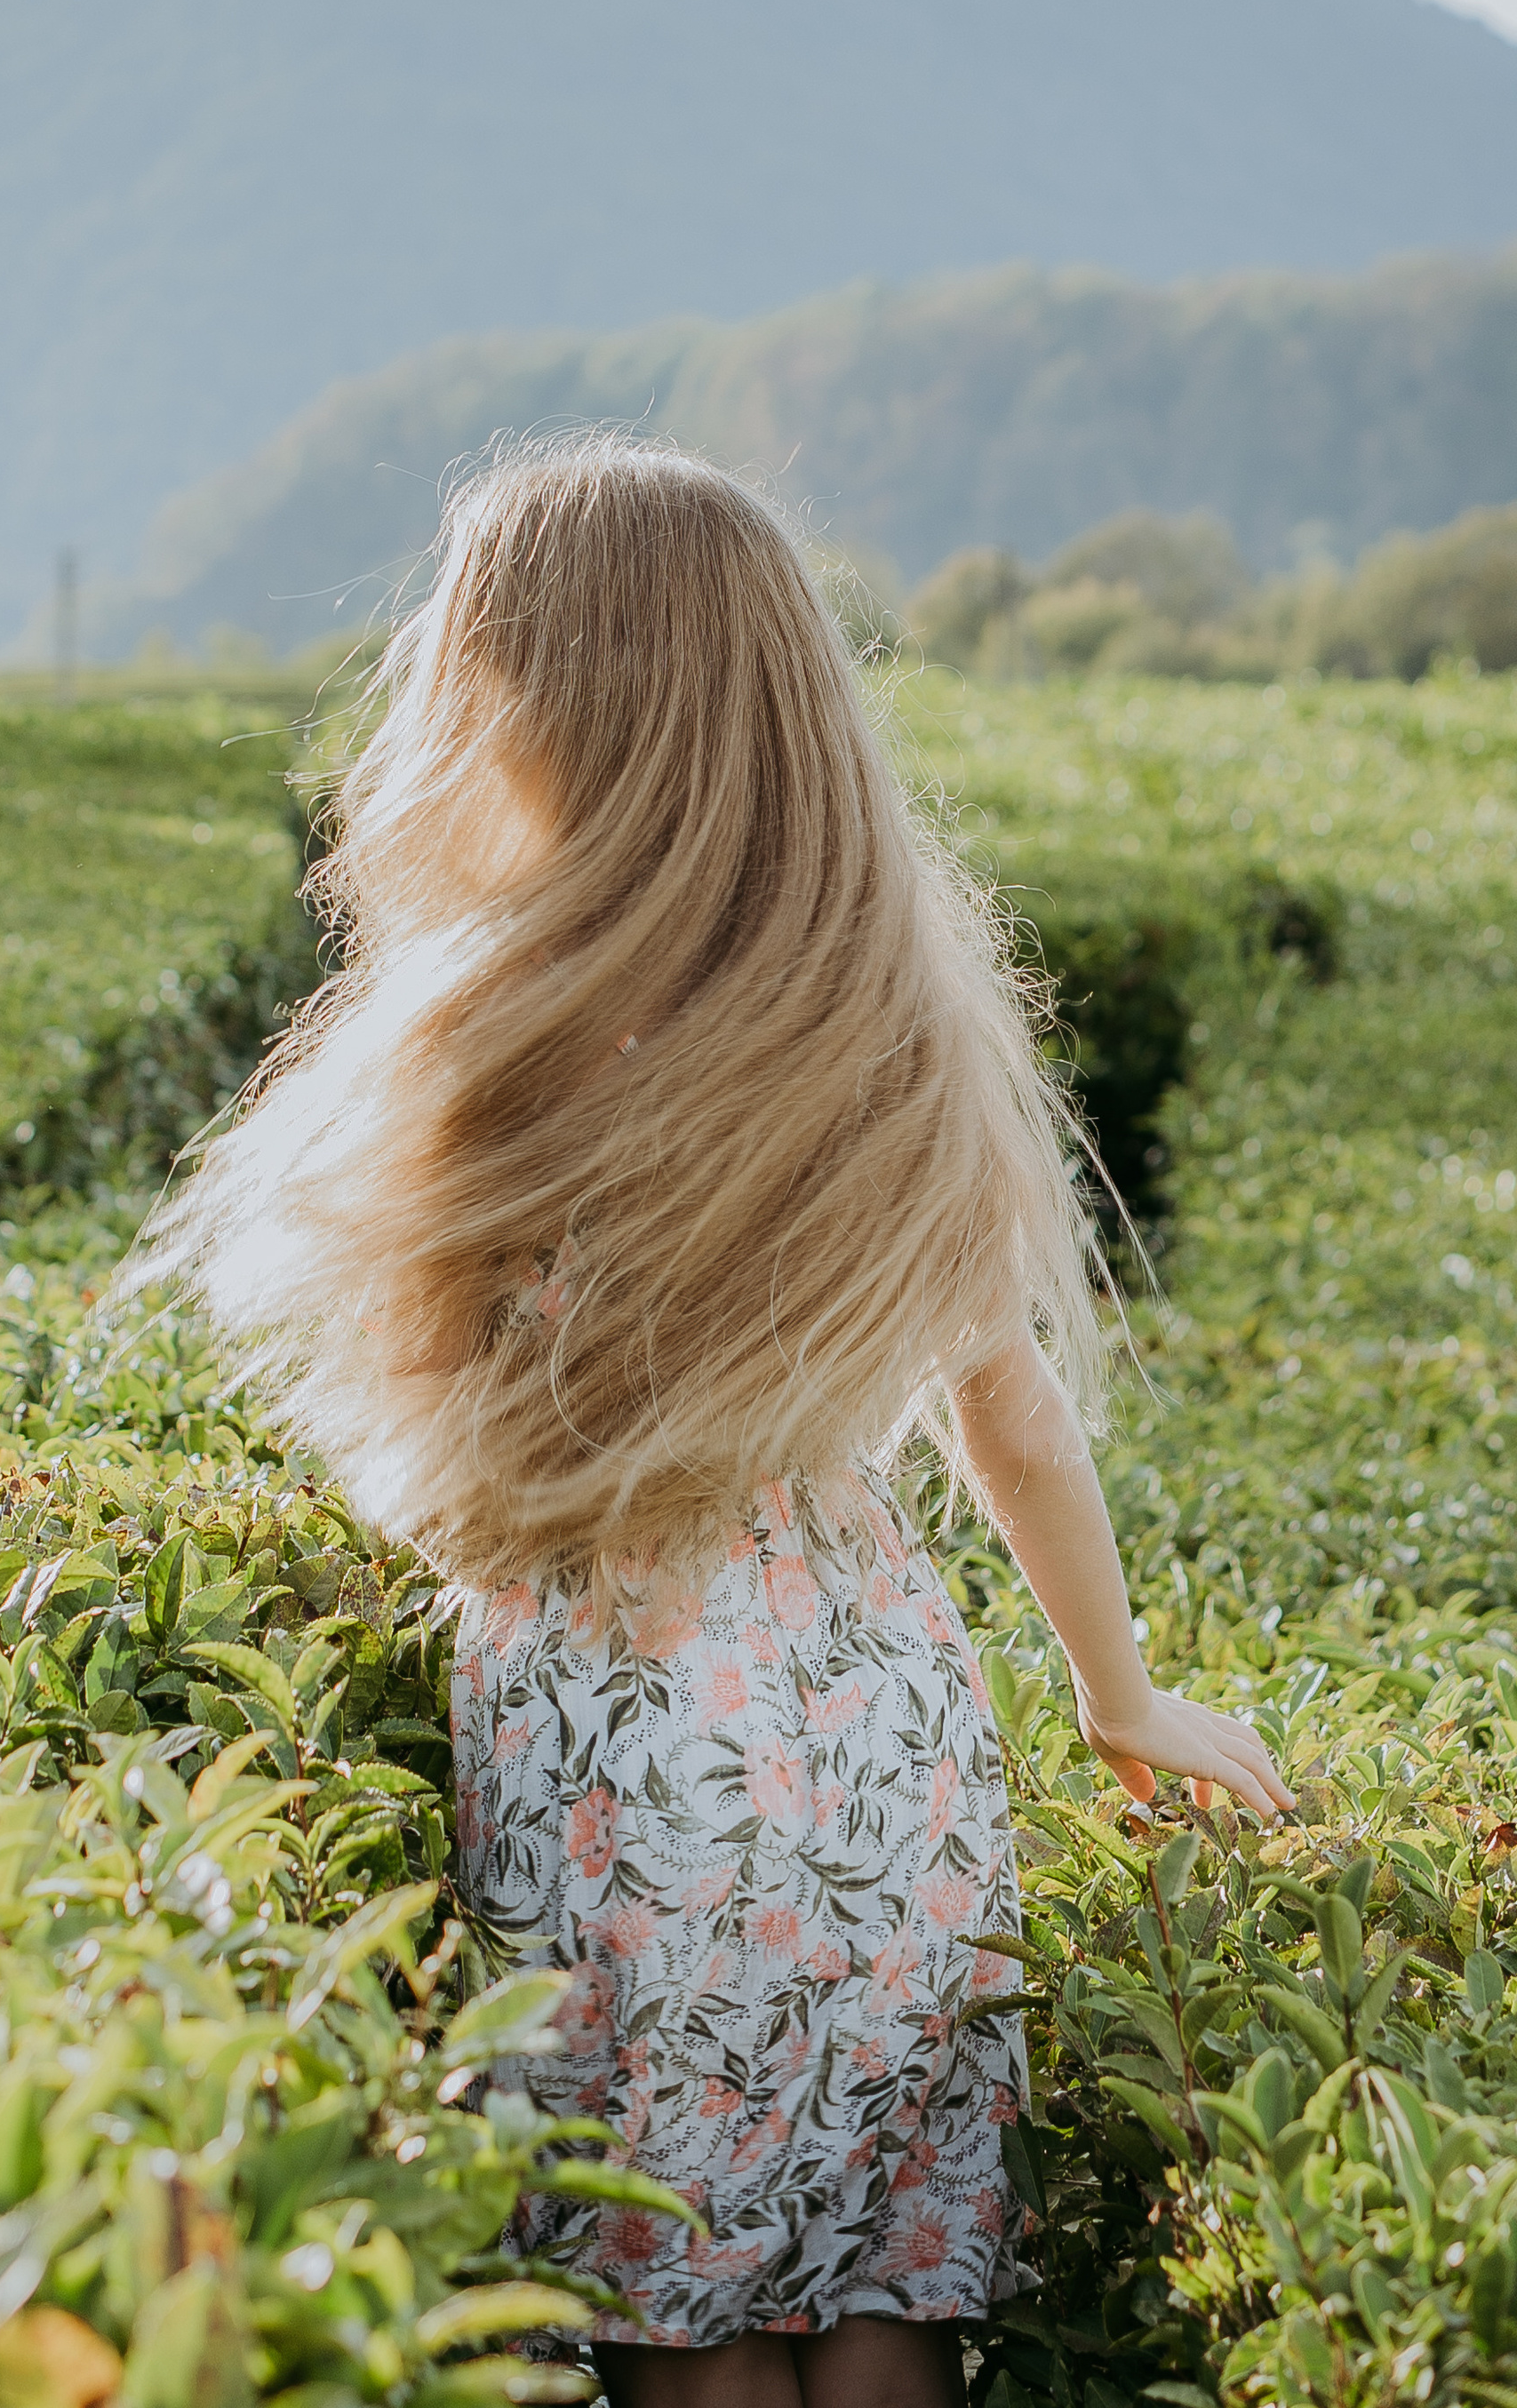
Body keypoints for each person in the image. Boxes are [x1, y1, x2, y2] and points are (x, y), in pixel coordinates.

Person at [142, 437, 1289, 2408]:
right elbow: (1006, 1407)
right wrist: (1116, 1695)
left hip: (631, 1733)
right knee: (874, 2292)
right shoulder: (881, 1016)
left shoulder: (489, 1028)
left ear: (521, 701)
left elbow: (421, 1431)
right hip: (885, 1729)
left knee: (678, 2312)